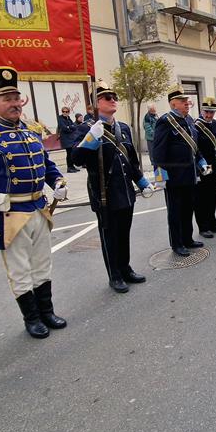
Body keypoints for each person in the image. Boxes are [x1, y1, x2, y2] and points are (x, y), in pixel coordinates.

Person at [0, 66, 68, 339]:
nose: (14, 103)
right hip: (9, 213)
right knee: (20, 271)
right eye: (6, 98)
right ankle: (31, 318)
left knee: (43, 264)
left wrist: (57, 182)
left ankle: (47, 311)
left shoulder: (32, 129)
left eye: (16, 97)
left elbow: (46, 164)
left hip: (38, 208)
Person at [72, 81, 153, 293]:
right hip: (104, 191)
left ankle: (126, 268)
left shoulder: (123, 128)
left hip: (125, 190)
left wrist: (142, 181)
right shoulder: (86, 128)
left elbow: (131, 160)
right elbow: (76, 159)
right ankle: (114, 275)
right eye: (107, 98)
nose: (113, 100)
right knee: (109, 235)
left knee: (124, 232)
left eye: (114, 97)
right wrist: (90, 138)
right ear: (96, 103)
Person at [150, 85, 210, 256]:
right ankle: (177, 243)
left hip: (190, 174)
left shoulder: (189, 120)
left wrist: (201, 160)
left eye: (186, 100)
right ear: (172, 104)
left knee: (188, 208)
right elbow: (158, 150)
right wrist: (159, 174)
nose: (186, 103)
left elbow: (194, 146)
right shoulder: (165, 122)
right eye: (182, 101)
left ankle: (188, 238)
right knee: (175, 211)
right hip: (174, 176)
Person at [194, 97, 216, 238]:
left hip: (213, 166)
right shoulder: (196, 126)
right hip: (202, 167)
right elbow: (195, 148)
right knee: (202, 198)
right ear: (202, 111)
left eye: (211, 113)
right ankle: (203, 226)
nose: (208, 115)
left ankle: (212, 222)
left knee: (212, 196)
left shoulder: (214, 124)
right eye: (206, 112)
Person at [57, 105, 79, 173]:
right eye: (63, 111)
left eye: (66, 111)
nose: (65, 113)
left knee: (72, 152)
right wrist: (70, 128)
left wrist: (69, 127)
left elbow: (74, 126)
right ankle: (69, 167)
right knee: (69, 153)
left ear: (69, 112)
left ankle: (72, 166)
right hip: (65, 139)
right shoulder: (60, 118)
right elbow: (64, 128)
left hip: (71, 138)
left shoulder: (68, 118)